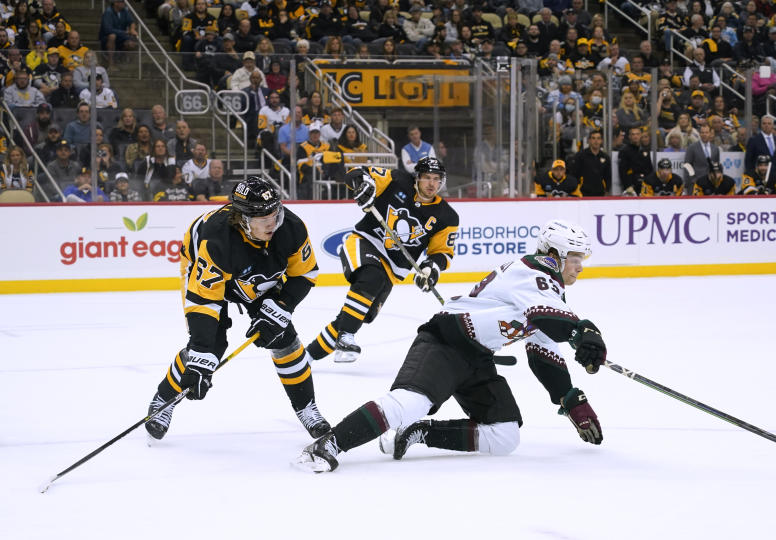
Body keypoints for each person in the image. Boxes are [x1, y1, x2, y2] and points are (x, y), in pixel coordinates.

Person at [293, 219, 606, 473]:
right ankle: (329, 444)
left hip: (477, 356)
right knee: (408, 402)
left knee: (504, 435)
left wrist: (569, 399)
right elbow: (549, 318)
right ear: (555, 255)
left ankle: (417, 433)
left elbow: (544, 353)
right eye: (575, 258)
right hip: (444, 341)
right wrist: (582, 331)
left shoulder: (549, 291)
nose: (579, 267)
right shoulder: (533, 272)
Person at [143, 177, 329, 442]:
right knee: (210, 347)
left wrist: (281, 307)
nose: (272, 222)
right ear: (242, 219)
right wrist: (200, 359)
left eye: (274, 212)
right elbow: (204, 302)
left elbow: (304, 274)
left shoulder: (291, 227)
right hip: (207, 271)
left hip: (258, 276)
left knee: (283, 337)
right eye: (261, 217)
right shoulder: (217, 239)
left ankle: (306, 407)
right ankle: (164, 398)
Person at [305, 157, 459, 364]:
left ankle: (306, 357)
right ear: (416, 178)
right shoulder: (397, 180)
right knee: (371, 277)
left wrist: (431, 268)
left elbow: (441, 252)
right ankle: (345, 339)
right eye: (426, 178)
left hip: (393, 268)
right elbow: (358, 173)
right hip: (364, 242)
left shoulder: (447, 216)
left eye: (436, 179)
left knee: (357, 314)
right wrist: (363, 187)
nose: (432, 184)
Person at [568, 130, 611, 196]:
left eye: (598, 138)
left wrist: (607, 190)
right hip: (583, 193)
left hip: (600, 193)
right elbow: (574, 174)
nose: (596, 141)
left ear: (601, 141)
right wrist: (575, 190)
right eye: (593, 138)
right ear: (589, 140)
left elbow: (608, 176)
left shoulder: (605, 157)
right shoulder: (580, 156)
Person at [683, 124, 721, 193]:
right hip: (696, 183)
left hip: (711, 183)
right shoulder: (692, 147)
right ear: (699, 134)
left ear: (710, 134)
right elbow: (687, 165)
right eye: (702, 132)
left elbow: (717, 165)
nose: (704, 134)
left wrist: (718, 180)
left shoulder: (715, 149)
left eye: (706, 132)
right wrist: (692, 180)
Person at [618, 127, 652, 196]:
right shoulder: (624, 151)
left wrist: (649, 184)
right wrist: (628, 186)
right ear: (629, 136)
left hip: (644, 186)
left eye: (637, 134)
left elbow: (649, 169)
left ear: (640, 135)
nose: (635, 136)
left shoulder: (645, 151)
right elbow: (623, 171)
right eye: (633, 134)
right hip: (631, 186)